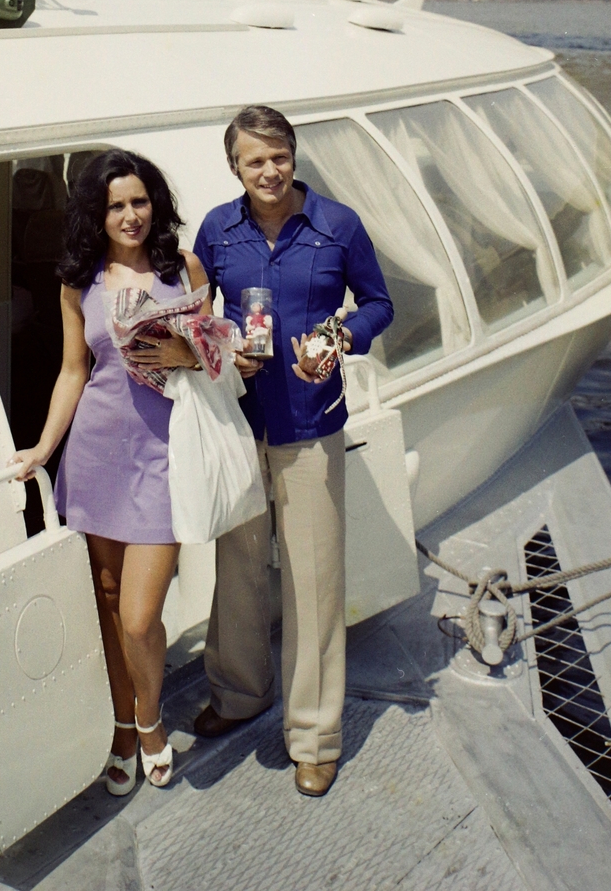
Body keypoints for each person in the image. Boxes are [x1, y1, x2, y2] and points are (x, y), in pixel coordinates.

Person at [191, 105, 393, 798]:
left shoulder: (338, 225)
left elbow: (377, 303)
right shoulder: (218, 229)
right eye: (255, 161)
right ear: (235, 168)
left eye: (278, 156)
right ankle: (239, 695)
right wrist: (222, 349)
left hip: (312, 420)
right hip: (241, 422)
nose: (269, 170)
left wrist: (339, 339)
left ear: (293, 154)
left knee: (312, 579)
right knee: (240, 567)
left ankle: (313, 737)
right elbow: (198, 314)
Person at [11, 149, 207, 795]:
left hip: (165, 457)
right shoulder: (79, 282)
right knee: (107, 601)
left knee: (139, 617)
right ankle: (123, 727)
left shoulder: (184, 270)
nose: (130, 215)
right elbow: (75, 373)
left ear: (155, 204)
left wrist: (186, 350)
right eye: (115, 205)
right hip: (97, 454)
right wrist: (43, 449)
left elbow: (219, 360)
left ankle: (150, 719)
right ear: (96, 213)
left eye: (139, 201)